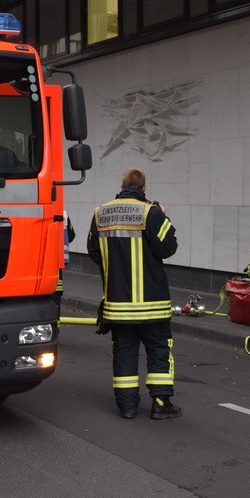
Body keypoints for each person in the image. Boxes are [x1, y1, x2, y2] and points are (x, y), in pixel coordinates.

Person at [87, 168, 181, 420]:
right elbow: (168, 247)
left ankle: (127, 407)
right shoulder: (150, 213)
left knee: (124, 353)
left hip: (117, 304)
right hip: (153, 304)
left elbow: (94, 253)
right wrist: (164, 217)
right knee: (159, 349)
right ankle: (161, 403)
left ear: (122, 185)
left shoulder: (100, 214)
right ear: (143, 188)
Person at [53, 211, 76, 314]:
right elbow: (71, 235)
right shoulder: (63, 214)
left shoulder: (33, 210)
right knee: (55, 305)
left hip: (34, 270)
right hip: (56, 267)